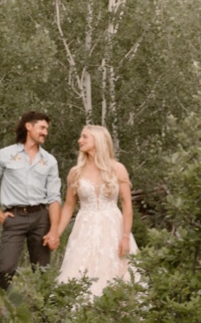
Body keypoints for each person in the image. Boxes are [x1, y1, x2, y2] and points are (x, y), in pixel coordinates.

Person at [0, 111, 61, 291]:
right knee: (6, 269)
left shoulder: (49, 161)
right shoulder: (5, 155)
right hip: (14, 218)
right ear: (28, 127)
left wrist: (54, 230)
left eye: (47, 129)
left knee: (42, 272)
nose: (45, 132)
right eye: (42, 128)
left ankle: (46, 316)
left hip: (41, 218)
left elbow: (54, 198)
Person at [55, 123, 139, 298]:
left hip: (112, 226)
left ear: (98, 140)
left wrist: (125, 237)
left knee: (114, 270)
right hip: (85, 227)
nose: (80, 140)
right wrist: (56, 233)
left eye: (85, 137)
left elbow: (127, 205)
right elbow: (69, 206)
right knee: (81, 269)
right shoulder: (75, 172)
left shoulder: (117, 168)